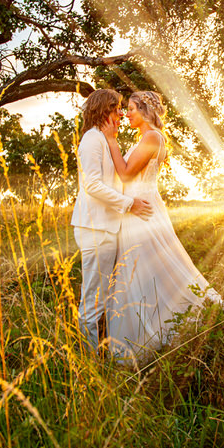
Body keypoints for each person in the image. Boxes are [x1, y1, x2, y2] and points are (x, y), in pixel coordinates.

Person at [104, 90, 224, 361]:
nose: (127, 113)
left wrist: (111, 140)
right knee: (146, 269)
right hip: (136, 206)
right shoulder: (146, 137)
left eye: (132, 109)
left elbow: (125, 173)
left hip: (142, 210)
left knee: (146, 268)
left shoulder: (151, 137)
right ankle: (151, 328)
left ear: (146, 111)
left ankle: (150, 335)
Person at [71, 89, 152, 352]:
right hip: (96, 228)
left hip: (106, 227)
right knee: (93, 300)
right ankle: (90, 363)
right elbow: (92, 185)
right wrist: (130, 204)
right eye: (117, 107)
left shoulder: (105, 140)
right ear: (103, 110)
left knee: (102, 297)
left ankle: (98, 352)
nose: (120, 113)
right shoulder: (92, 139)